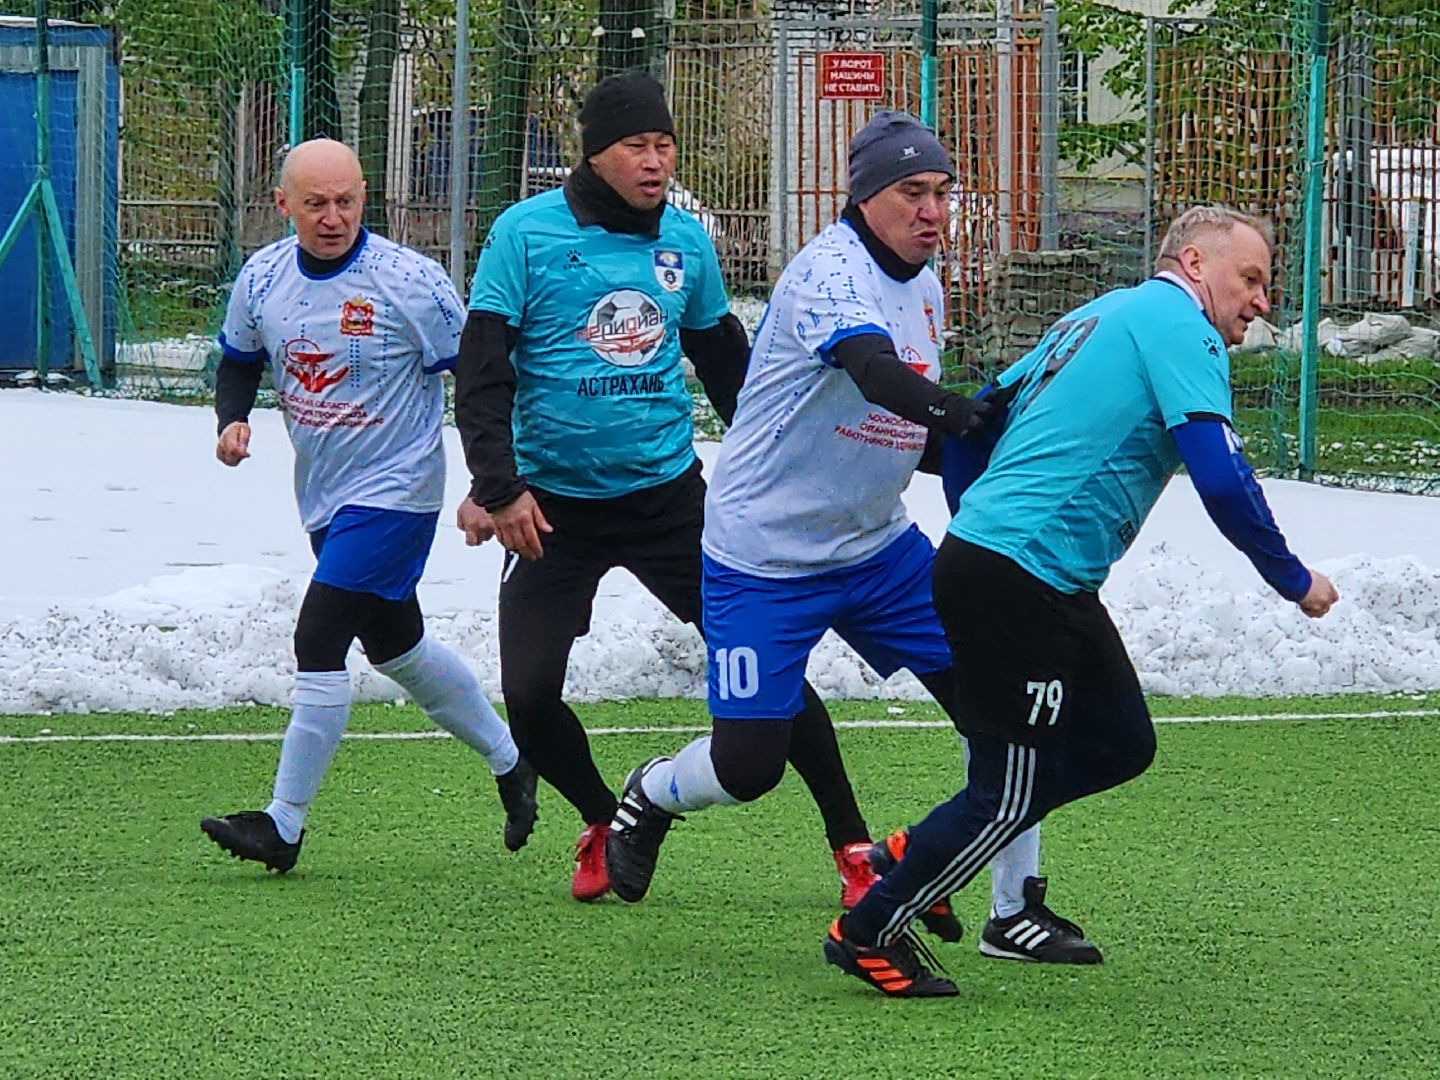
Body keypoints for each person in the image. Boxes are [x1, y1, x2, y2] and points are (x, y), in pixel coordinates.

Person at [604, 111, 1097, 962]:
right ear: (865, 195)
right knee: (749, 766)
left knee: (1004, 709)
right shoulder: (827, 271)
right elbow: (875, 372)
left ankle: (1014, 910)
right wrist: (965, 414)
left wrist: (1000, 459)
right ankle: (653, 791)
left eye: (943, 192)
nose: (933, 209)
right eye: (912, 192)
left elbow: (913, 434)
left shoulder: (929, 286)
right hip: (763, 556)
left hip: (878, 550)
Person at [823, 204, 1341, 997]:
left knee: (1120, 741)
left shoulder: (1101, 313)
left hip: (1022, 573)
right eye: (1252, 278)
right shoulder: (1182, 327)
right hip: (1018, 579)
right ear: (1196, 265)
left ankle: (913, 851)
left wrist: (981, 522)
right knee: (1007, 791)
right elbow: (1222, 476)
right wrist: (1292, 577)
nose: (1263, 299)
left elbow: (975, 423)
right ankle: (869, 930)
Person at [454, 73, 882, 904]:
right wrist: (499, 488)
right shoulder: (526, 235)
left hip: (670, 501)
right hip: (553, 511)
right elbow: (483, 372)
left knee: (766, 670)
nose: (654, 162)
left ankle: (853, 848)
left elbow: (728, 367)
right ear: (594, 152)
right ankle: (601, 817)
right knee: (531, 697)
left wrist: (790, 467)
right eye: (634, 147)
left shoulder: (686, 242)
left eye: (663, 145)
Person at [199, 138, 537, 874]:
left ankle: (282, 826)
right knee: (397, 649)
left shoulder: (409, 282)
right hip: (324, 497)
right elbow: (239, 358)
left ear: (364, 197)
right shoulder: (262, 279)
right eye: (315, 204)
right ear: (282, 204)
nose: (332, 218)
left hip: (397, 493)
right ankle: (512, 761)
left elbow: (480, 379)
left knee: (318, 637)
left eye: (346, 201)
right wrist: (233, 417)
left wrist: (493, 485)